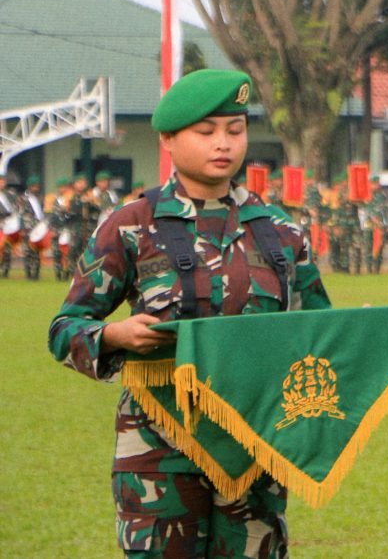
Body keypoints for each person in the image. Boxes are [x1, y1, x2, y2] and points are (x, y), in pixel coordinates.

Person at [48, 69, 331, 557]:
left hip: (255, 451)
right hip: (159, 455)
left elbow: (317, 334)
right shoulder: (131, 226)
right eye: (206, 132)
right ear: (169, 140)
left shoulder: (281, 231)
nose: (223, 144)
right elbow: (64, 328)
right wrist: (114, 335)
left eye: (235, 130)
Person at [18, 174, 45, 280]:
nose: (36, 188)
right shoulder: (23, 198)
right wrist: (22, 228)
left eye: (37, 186)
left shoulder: (40, 197)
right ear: (29, 186)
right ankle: (28, 273)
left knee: (37, 250)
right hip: (27, 227)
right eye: (34, 186)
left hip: (38, 227)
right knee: (27, 250)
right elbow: (20, 214)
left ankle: (36, 273)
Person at [363, 175, 388, 274]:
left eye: (377, 183)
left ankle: (377, 269)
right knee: (368, 247)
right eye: (374, 184)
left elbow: (385, 210)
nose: (376, 185)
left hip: (380, 225)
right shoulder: (366, 195)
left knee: (379, 246)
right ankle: (369, 268)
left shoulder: (382, 196)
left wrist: (387, 223)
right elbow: (365, 209)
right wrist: (372, 218)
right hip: (369, 225)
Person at [0, 172, 20, 277]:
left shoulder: (9, 195)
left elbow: (16, 206)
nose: (1, 184)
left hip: (9, 223)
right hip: (1, 222)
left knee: (7, 248)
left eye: (3, 181)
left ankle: (5, 269)